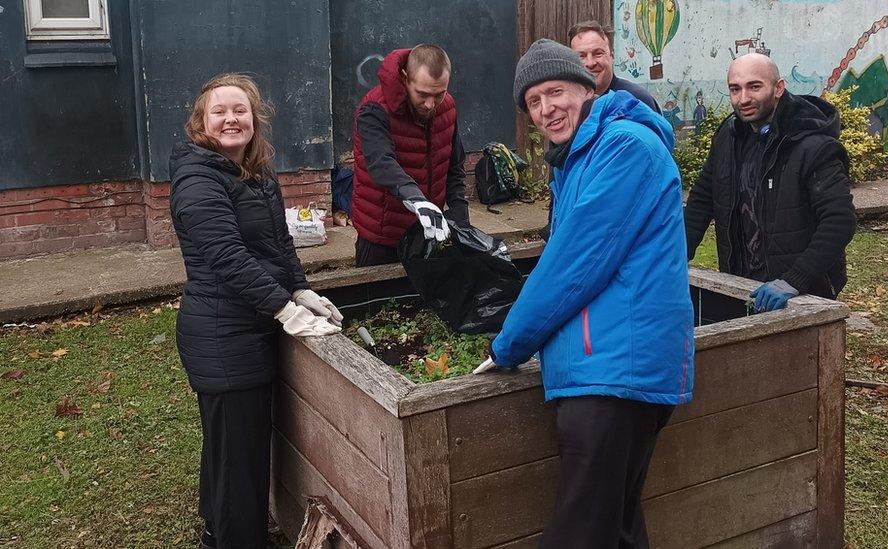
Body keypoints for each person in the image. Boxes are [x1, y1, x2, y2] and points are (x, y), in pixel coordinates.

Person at [475, 39, 694, 549]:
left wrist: (507, 345)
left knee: (581, 534)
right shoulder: (576, 159)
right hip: (609, 369)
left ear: (586, 86)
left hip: (614, 377)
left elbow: (572, 266)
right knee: (615, 528)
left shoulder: (624, 148)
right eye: (533, 101)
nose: (547, 108)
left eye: (556, 92)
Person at [169, 73, 343, 549]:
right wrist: (283, 308)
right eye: (220, 112)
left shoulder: (256, 171)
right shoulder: (197, 178)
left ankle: (217, 529)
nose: (231, 119)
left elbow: (279, 243)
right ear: (201, 122)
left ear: (254, 117)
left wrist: (302, 289)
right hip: (223, 333)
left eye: (240, 110)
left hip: (246, 325)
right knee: (238, 455)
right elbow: (227, 258)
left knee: (231, 448)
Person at [684, 53, 856, 311]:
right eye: (735, 89)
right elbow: (701, 201)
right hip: (741, 284)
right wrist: (674, 257)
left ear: (778, 88)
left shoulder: (813, 145)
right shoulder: (727, 140)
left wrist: (794, 281)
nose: (743, 99)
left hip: (802, 295)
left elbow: (840, 220)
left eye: (754, 86)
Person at [351, 44, 471, 267]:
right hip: (382, 235)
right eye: (423, 94)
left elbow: (454, 166)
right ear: (405, 78)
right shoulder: (373, 108)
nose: (430, 104)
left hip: (427, 233)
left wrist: (460, 216)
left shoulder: (448, 107)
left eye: (439, 94)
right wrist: (416, 199)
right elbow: (381, 163)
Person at [568, 20, 662, 114]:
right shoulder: (566, 104)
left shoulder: (637, 100)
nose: (590, 63)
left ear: (612, 56)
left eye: (598, 53)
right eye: (581, 56)